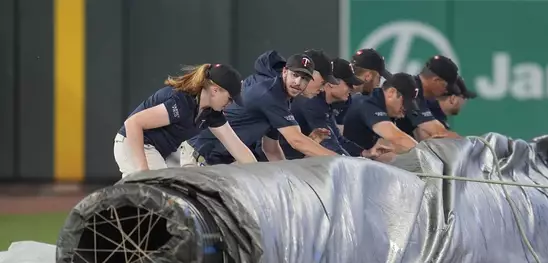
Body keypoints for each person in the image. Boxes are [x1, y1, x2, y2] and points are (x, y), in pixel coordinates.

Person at [181, 53, 338, 166]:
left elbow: (271, 149)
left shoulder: (283, 99)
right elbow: (296, 140)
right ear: (284, 72)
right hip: (199, 155)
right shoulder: (270, 95)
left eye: (304, 78)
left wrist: (287, 180)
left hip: (219, 161)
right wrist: (341, 161)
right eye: (295, 75)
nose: (298, 82)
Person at [113, 63, 256, 177]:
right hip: (134, 143)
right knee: (159, 191)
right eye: (230, 98)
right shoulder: (181, 102)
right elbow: (133, 123)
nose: (230, 104)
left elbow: (236, 146)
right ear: (215, 90)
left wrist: (258, 173)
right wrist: (143, 171)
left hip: (155, 150)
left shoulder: (211, 113)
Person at [279, 58, 393, 159]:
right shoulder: (311, 102)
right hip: (286, 166)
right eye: (349, 84)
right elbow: (329, 146)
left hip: (296, 164)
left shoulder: (326, 103)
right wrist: (354, 164)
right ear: (332, 83)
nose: (352, 89)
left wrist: (365, 153)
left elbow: (338, 141)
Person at [341, 73, 420, 154]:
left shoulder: (386, 108)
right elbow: (398, 138)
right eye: (404, 104)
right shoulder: (368, 104)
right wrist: (425, 154)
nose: (404, 113)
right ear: (391, 92)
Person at [394, 55, 461, 141]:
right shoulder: (410, 89)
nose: (447, 91)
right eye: (446, 86)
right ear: (436, 80)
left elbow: (440, 133)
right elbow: (437, 131)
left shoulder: (430, 101)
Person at [334, 48, 392, 134]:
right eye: (378, 78)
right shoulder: (341, 95)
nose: (378, 84)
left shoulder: (346, 93)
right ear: (368, 76)